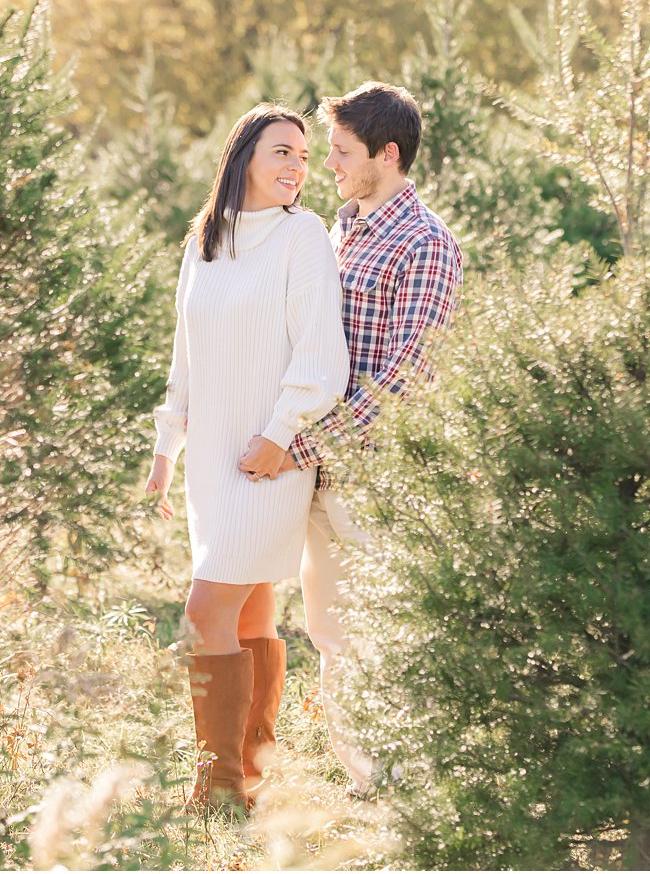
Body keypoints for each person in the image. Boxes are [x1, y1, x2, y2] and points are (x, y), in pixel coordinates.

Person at [243, 82, 464, 798]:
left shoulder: (426, 244)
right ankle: (365, 782)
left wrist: (296, 447)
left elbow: (406, 376)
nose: (327, 164)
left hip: (375, 476)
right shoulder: (336, 231)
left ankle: (410, 784)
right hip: (316, 472)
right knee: (330, 629)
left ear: (388, 154)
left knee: (385, 632)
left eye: (341, 151)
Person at [145, 103, 350, 812]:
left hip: (269, 461)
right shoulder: (204, 239)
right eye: (281, 152)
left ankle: (221, 787)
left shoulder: (304, 237)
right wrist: (167, 445)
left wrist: (278, 432)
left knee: (206, 612)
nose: (297, 166)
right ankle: (254, 769)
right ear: (243, 158)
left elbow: (324, 354)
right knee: (252, 611)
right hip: (210, 460)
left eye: (302, 154)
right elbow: (185, 354)